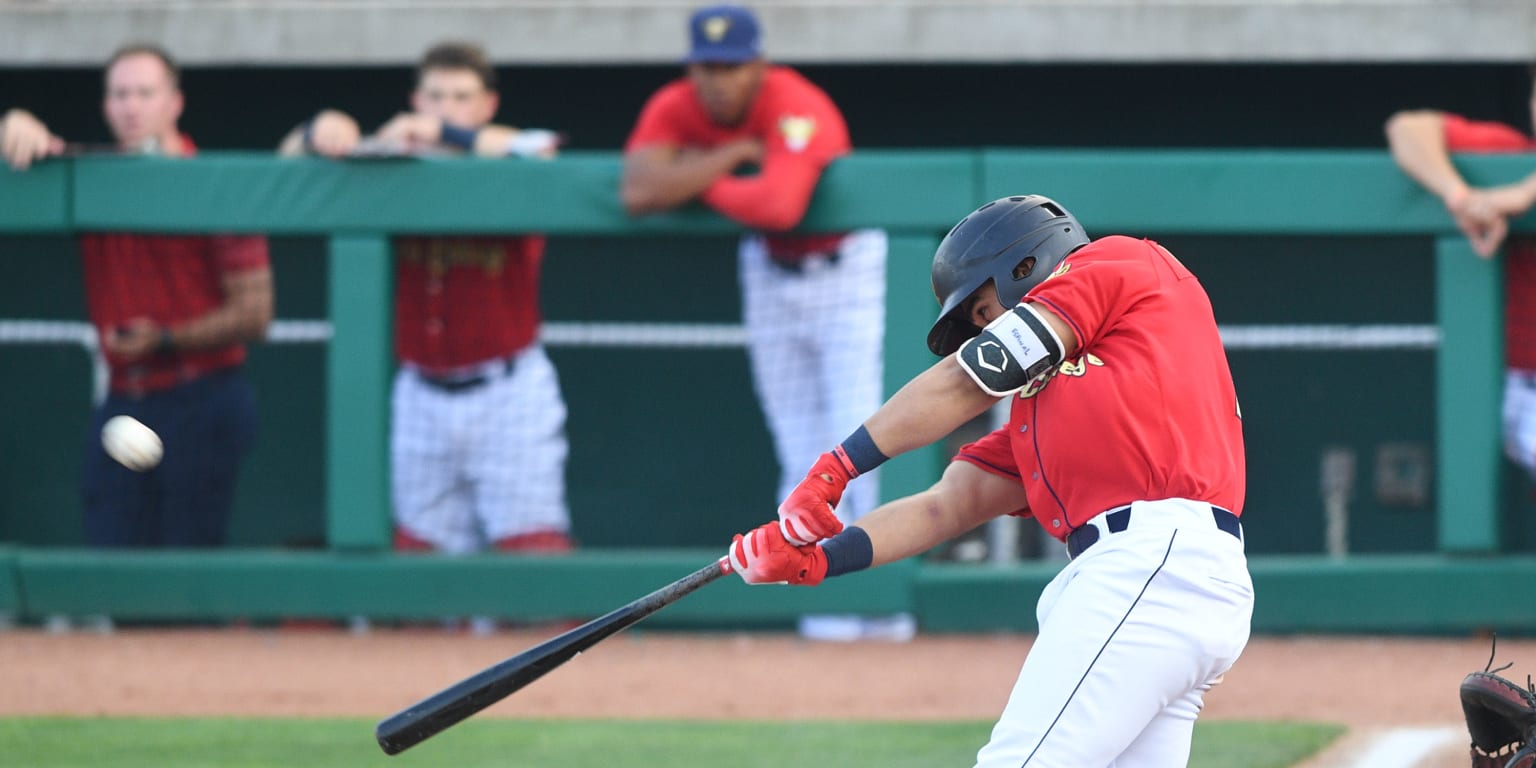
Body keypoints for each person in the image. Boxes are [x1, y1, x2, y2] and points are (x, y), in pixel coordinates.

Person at [726, 195, 1255, 767]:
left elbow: (966, 380)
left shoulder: (1118, 261)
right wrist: (819, 558)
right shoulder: (1049, 412)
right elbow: (947, 506)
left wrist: (836, 467)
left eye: (982, 311)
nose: (984, 329)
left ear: (1024, 266)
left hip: (1151, 565)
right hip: (1168, 583)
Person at [620, 4, 905, 641]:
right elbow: (638, 191)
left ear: (758, 64)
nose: (716, 80)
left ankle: (886, 616)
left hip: (846, 269)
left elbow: (779, 203)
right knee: (798, 454)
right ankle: (827, 616)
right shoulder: (676, 105)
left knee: (864, 447)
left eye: (730, 66)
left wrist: (692, 176)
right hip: (771, 275)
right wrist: (731, 159)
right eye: (706, 66)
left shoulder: (794, 100)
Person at [280, 42, 573, 633]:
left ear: (486, 105)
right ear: (414, 99)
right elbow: (287, 164)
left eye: (461, 99)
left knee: (534, 569)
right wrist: (321, 130)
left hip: (508, 390)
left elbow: (545, 151)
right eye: (434, 97)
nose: (444, 109)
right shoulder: (389, 171)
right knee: (415, 579)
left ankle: (558, 712)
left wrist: (445, 134)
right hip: (420, 391)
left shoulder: (508, 161)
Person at [0, 44, 273, 550]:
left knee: (188, 577)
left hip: (204, 398)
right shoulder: (90, 175)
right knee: (112, 562)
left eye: (145, 93)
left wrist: (164, 338)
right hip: (125, 399)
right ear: (105, 106)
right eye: (120, 94)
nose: (131, 106)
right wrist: (14, 124)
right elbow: (31, 153)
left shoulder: (216, 182)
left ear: (174, 102)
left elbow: (256, 313)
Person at [1385, 74, 1536, 480]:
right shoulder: (1513, 154)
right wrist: (1462, 198)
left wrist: (1520, 196)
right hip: (1523, 386)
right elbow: (1407, 130)